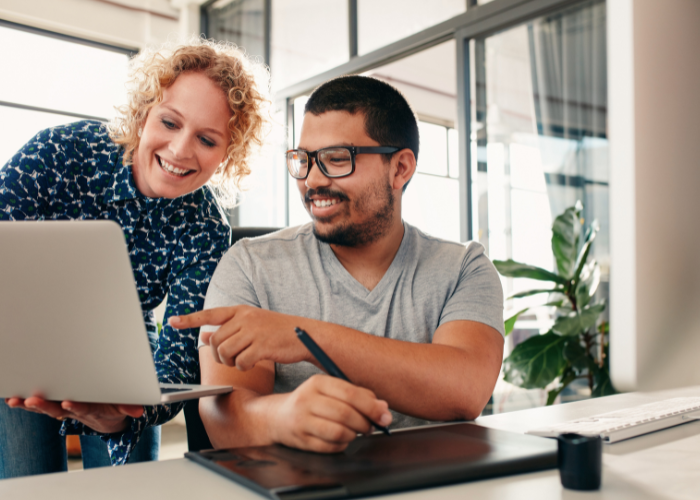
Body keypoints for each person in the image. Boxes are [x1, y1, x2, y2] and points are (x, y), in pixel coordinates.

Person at [171, 75, 505, 453]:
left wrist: (304, 337)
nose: (312, 180)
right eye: (303, 160)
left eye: (336, 159)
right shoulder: (249, 264)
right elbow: (221, 419)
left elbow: (464, 389)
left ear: (400, 169)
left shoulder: (464, 268)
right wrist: (282, 418)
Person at [0, 38, 270, 477]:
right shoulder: (60, 152)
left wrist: (129, 414)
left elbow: (181, 354)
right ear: (144, 112)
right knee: (29, 480)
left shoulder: (206, 229)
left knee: (128, 484)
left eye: (206, 139)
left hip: (124, 340)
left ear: (228, 154)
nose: (181, 150)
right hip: (27, 331)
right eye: (169, 121)